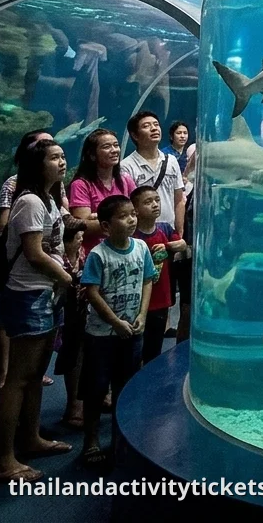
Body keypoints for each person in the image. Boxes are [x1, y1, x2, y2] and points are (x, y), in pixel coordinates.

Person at [0, 140, 74, 483]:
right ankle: (4, 459)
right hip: (28, 295)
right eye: (54, 157)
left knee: (36, 374)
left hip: (45, 294)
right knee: (17, 380)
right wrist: (65, 276)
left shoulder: (50, 200)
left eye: (63, 156)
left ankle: (31, 437)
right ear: (36, 165)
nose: (62, 162)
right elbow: (35, 252)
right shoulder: (29, 201)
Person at [79, 194, 155, 469]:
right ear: (106, 226)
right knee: (96, 388)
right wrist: (114, 322)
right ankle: (91, 440)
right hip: (101, 334)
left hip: (133, 331)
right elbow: (92, 292)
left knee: (126, 386)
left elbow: (148, 280)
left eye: (133, 214)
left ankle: (121, 439)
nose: (132, 220)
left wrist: (142, 316)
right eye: (124, 216)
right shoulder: (98, 254)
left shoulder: (142, 248)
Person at [0, 130, 61, 393]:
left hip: (46, 285)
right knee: (20, 373)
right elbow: (7, 225)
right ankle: (4, 372)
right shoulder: (19, 188)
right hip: (26, 284)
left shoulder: (51, 192)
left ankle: (30, 431)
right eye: (45, 146)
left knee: (33, 371)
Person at [120, 111, 189, 339]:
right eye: (147, 126)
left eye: (156, 124)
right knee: (142, 289)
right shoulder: (127, 166)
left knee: (165, 290)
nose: (154, 128)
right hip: (141, 237)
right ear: (134, 135)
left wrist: (178, 233)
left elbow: (179, 198)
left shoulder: (170, 162)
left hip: (167, 234)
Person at [131, 185, 186, 363]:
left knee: (154, 349)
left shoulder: (165, 229)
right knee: (133, 350)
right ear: (136, 210)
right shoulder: (132, 235)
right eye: (148, 202)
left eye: (157, 200)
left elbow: (182, 244)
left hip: (161, 300)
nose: (155, 204)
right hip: (136, 302)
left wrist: (168, 246)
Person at [68, 129, 136, 256]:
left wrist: (99, 218)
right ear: (92, 155)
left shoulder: (125, 179)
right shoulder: (81, 185)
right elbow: (83, 226)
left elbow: (138, 211)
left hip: (124, 251)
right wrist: (121, 222)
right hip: (95, 253)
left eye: (116, 145)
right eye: (106, 146)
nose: (114, 150)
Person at [53, 218, 88, 429]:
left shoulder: (82, 255)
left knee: (82, 356)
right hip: (63, 318)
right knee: (71, 358)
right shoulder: (58, 261)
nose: (81, 240)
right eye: (78, 237)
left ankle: (80, 402)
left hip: (81, 315)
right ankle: (73, 405)